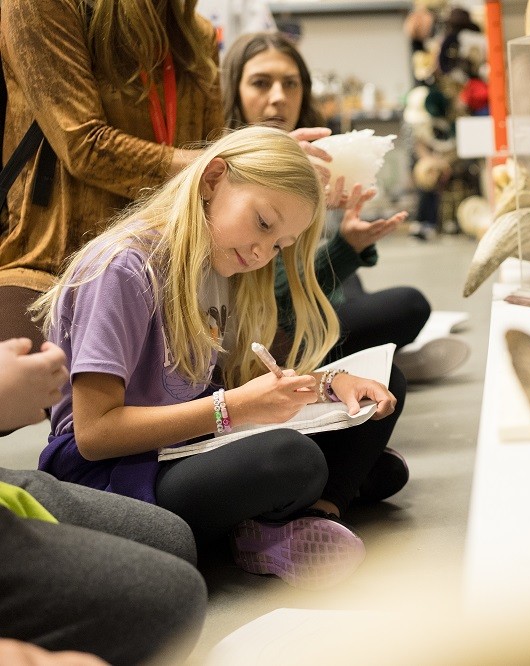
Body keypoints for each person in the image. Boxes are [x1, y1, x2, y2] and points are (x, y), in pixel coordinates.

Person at [31, 126, 406, 589]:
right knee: (292, 460)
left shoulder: (216, 264)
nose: (260, 252)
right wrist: (236, 409)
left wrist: (327, 387)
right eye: (263, 224)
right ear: (212, 181)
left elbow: (240, 382)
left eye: (278, 246)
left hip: (188, 446)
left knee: (384, 391)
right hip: (110, 474)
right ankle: (283, 517)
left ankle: (307, 514)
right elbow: (94, 434)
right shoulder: (124, 269)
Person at [0, 1, 334, 350]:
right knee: (37, 386)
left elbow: (213, 169)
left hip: (172, 271)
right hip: (49, 265)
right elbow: (84, 146)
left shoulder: (197, 34)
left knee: (310, 375)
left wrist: (262, 171)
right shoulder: (44, 5)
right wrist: (236, 159)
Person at [220, 30, 470, 380]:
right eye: (261, 83)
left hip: (293, 311)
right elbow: (270, 306)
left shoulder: (314, 160)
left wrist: (345, 240)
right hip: (263, 335)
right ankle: (385, 359)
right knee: (408, 307)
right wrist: (344, 249)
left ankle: (379, 357)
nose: (278, 98)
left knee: (350, 287)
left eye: (291, 84)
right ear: (234, 90)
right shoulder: (223, 172)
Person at [0, 338, 207, 664]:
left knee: (174, 540)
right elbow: (95, 433)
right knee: (170, 596)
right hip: (94, 460)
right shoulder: (117, 286)